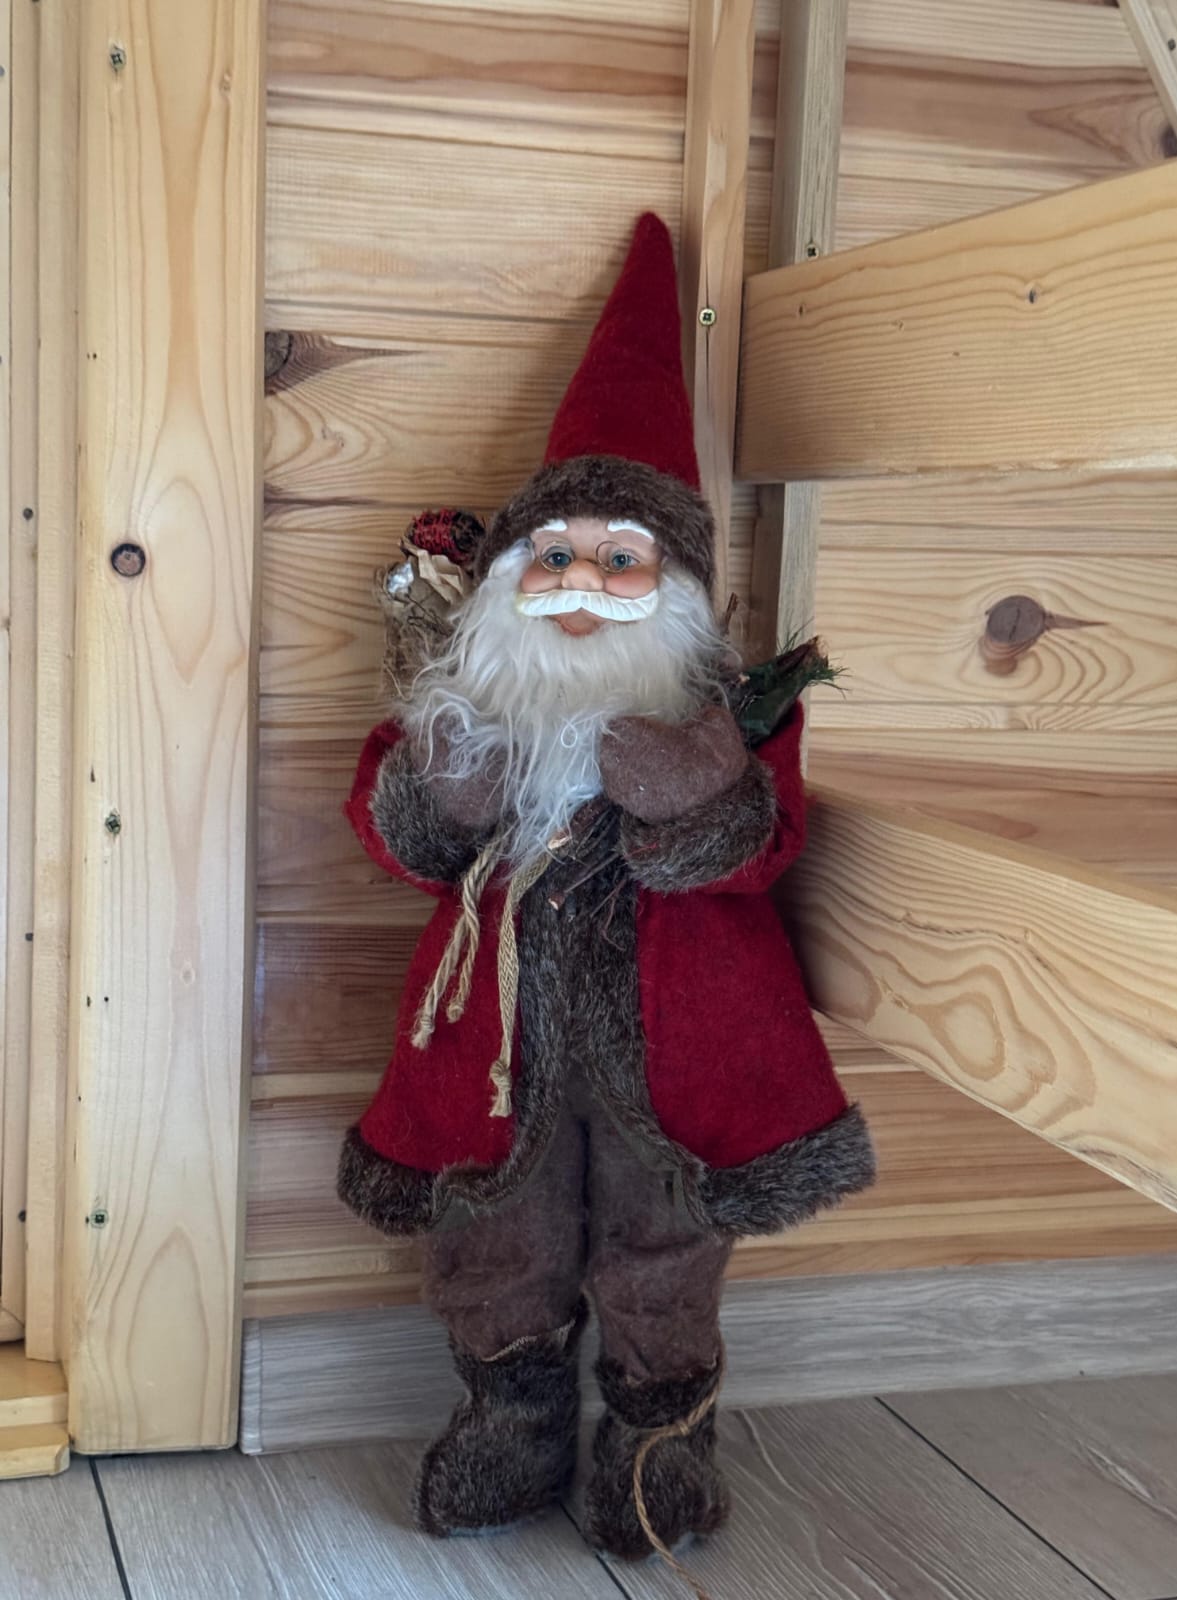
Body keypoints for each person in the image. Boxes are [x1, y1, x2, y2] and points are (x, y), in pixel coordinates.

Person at [338, 212, 875, 1560]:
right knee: (494, 1233)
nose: (583, 583)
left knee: (664, 1244)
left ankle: (657, 1447)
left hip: (682, 1051)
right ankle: (509, 1424)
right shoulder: (465, 713)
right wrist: (442, 790)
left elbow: (766, 846)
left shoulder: (727, 714)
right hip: (496, 1052)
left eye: (622, 559)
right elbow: (397, 841)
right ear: (508, 582)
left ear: (676, 588)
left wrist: (693, 792)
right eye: (557, 556)